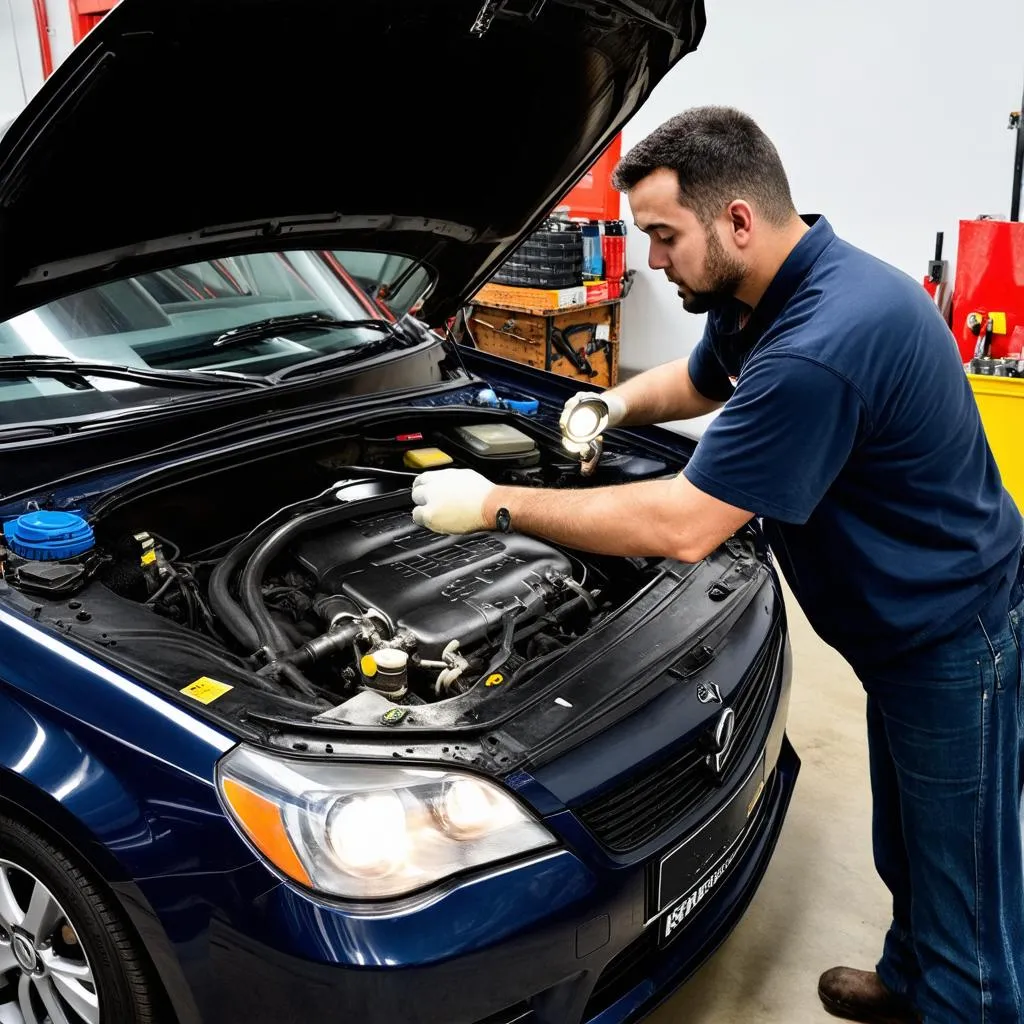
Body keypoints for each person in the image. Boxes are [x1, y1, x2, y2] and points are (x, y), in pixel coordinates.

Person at [410, 106, 1024, 1024]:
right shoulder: (766, 292)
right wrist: (610, 406)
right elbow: (698, 381)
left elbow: (687, 523)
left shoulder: (823, 342)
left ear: (737, 220)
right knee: (912, 842)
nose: (653, 261)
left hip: (951, 633)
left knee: (967, 877)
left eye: (664, 237)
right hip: (900, 626)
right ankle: (911, 978)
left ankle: (962, 999)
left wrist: (495, 504)